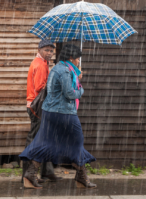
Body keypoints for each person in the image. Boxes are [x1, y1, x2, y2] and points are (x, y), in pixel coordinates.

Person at [19, 44, 97, 189]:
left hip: (50, 112)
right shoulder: (66, 71)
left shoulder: (57, 67)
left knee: (44, 143)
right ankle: (81, 178)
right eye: (78, 58)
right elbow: (70, 93)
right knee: (77, 142)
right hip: (64, 113)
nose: (79, 61)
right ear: (71, 58)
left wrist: (76, 77)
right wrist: (80, 87)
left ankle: (30, 175)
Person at [22, 39, 62, 184]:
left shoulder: (43, 63)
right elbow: (40, 87)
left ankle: (46, 172)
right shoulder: (39, 65)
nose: (50, 53)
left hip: (38, 104)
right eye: (46, 50)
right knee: (34, 140)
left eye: (52, 51)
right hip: (37, 105)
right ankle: (28, 174)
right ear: (39, 50)